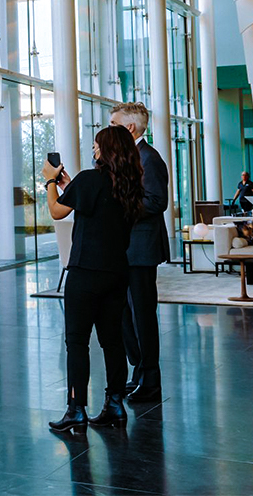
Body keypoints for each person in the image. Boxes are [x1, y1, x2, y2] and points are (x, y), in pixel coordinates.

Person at [43, 125, 145, 433]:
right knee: (111, 340)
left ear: (107, 150)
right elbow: (98, 204)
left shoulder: (91, 179)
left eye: (97, 145)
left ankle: (76, 410)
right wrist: (69, 183)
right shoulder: (129, 186)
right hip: (116, 273)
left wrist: (50, 181)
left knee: (77, 342)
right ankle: (114, 404)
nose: (94, 150)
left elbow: (56, 211)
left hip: (85, 273)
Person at [109, 102, 170, 402]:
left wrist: (120, 205)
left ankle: (150, 381)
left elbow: (157, 202)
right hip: (123, 249)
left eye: (113, 124)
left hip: (142, 249)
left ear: (129, 127)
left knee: (143, 316)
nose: (109, 130)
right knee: (124, 315)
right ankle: (139, 371)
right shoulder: (126, 158)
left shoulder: (150, 158)